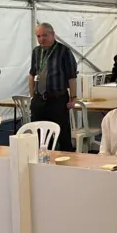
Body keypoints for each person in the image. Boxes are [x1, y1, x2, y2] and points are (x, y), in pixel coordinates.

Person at [29, 22, 77, 152]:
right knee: (40, 135)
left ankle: (68, 163)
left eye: (44, 35)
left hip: (57, 98)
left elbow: (71, 76)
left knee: (62, 134)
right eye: (38, 36)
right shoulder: (36, 51)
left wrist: (73, 98)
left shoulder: (64, 51)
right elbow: (32, 74)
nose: (41, 39)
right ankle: (43, 160)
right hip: (39, 99)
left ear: (53, 35)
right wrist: (32, 96)